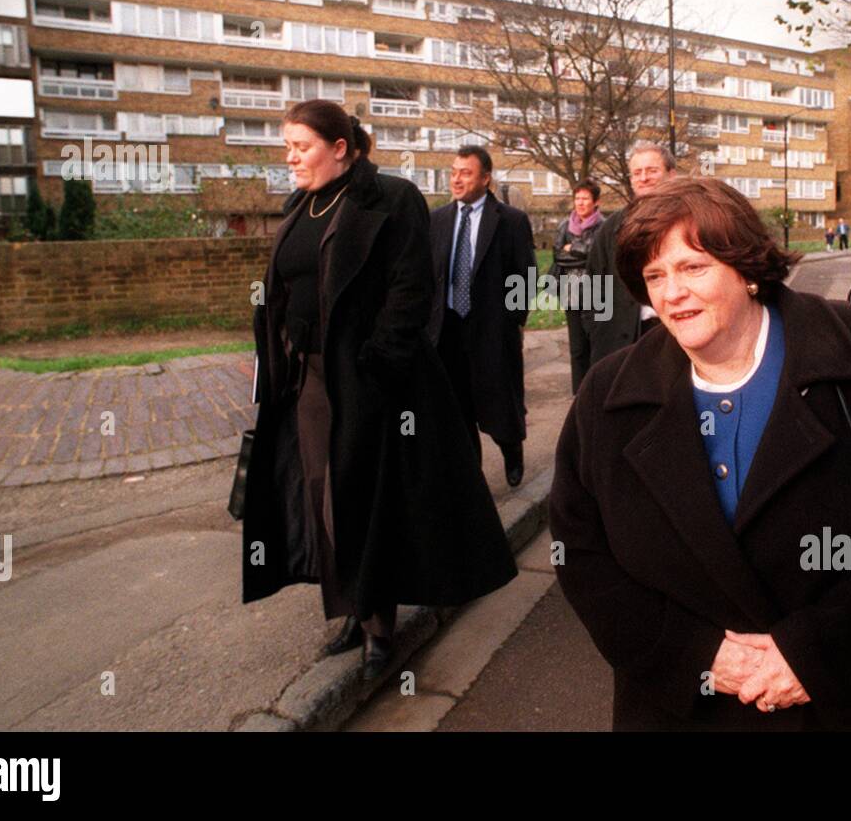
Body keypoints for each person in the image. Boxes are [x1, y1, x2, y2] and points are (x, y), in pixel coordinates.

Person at [550, 176, 851, 730]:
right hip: (678, 710)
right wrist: (695, 655)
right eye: (655, 275)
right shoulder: (609, 396)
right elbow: (580, 550)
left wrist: (815, 652)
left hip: (840, 703)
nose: (671, 293)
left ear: (747, 270)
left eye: (693, 268)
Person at [243, 101, 517, 679]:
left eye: (301, 146)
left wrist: (376, 364)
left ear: (340, 147)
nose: (290, 157)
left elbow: (410, 288)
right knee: (323, 494)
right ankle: (351, 607)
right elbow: (287, 291)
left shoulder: (391, 199)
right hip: (310, 380)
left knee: (367, 498)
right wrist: (275, 358)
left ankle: (379, 630)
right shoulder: (300, 206)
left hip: (373, 381)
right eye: (287, 147)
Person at [428, 145, 537, 488]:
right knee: (457, 412)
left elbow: (525, 277)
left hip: (491, 330)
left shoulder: (511, 221)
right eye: (454, 172)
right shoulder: (438, 220)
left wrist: (512, 322)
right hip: (447, 331)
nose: (457, 179)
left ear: (486, 178)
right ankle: (470, 477)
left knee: (499, 403)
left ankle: (512, 451)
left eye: (466, 173)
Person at [583, 141, 677, 366]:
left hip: (676, 335)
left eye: (652, 171)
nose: (643, 178)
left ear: (671, 175)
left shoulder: (690, 221)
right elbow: (592, 284)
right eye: (637, 172)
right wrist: (597, 329)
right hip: (622, 340)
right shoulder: (613, 227)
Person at [550, 180, 605, 393]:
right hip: (571, 290)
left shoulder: (603, 226)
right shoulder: (565, 225)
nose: (580, 203)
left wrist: (571, 248)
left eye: (585, 198)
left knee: (597, 344)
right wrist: (580, 252)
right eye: (577, 198)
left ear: (596, 202)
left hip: (598, 291)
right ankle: (578, 392)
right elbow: (557, 255)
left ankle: (597, 390)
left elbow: (596, 258)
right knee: (577, 347)